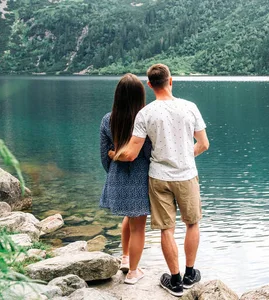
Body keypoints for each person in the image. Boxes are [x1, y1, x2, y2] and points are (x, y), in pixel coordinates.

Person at [110, 64, 209, 297]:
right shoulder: (190, 107)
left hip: (158, 177)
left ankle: (174, 281)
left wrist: (115, 155)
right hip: (186, 175)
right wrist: (185, 155)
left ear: (150, 85)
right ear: (171, 81)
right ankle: (190, 274)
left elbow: (132, 153)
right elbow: (204, 144)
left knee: (166, 228)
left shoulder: (145, 113)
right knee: (192, 223)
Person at [100, 73, 152, 285]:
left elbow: (105, 155)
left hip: (118, 175)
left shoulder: (107, 119)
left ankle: (125, 257)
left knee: (129, 218)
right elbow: (149, 153)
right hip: (140, 177)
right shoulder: (145, 119)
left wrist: (114, 170)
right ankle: (133, 272)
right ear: (140, 96)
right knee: (138, 224)